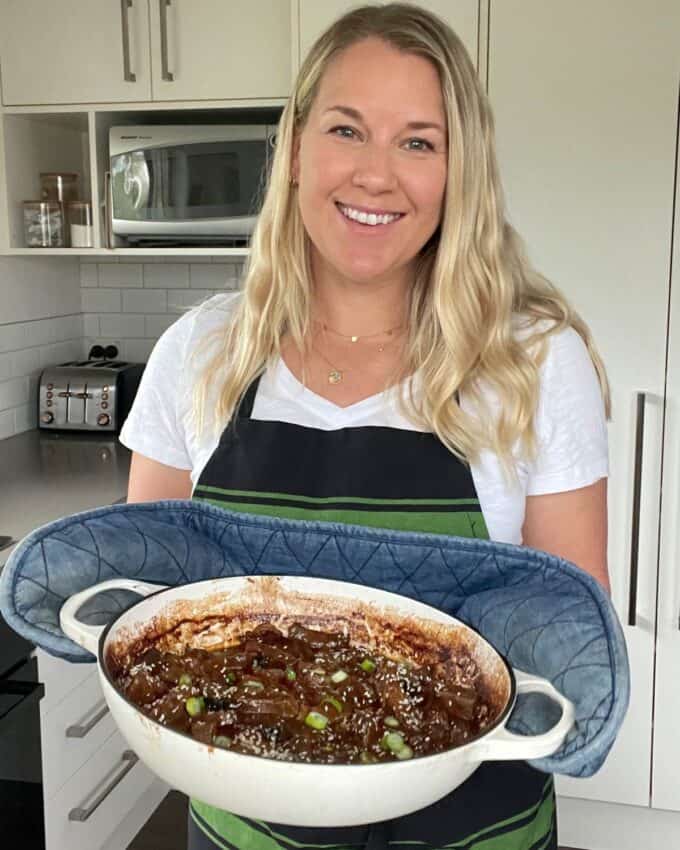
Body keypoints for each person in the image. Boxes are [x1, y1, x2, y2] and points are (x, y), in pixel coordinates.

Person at [120, 4, 610, 848]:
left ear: (459, 172)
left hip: (475, 826)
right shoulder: (198, 353)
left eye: (418, 141)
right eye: (347, 130)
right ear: (296, 149)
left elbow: (568, 635)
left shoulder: (532, 362)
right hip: (247, 829)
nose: (376, 176)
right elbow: (150, 616)